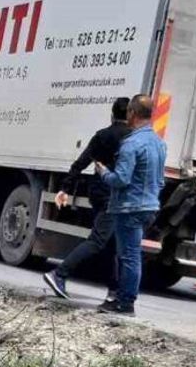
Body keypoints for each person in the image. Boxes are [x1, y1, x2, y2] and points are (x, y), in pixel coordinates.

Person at [43, 97, 131, 304]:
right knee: (99, 240)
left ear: (112, 115)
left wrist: (65, 189)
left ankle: (113, 290)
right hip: (115, 196)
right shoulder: (132, 138)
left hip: (98, 193)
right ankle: (59, 274)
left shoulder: (101, 135)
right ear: (130, 115)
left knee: (110, 243)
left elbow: (81, 163)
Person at [96, 94, 167, 317]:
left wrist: (103, 173)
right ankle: (122, 299)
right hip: (149, 206)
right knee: (130, 254)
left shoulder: (131, 144)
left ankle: (125, 303)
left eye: (128, 111)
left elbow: (121, 179)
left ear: (132, 113)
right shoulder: (159, 143)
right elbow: (160, 180)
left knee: (129, 255)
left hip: (129, 207)